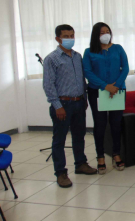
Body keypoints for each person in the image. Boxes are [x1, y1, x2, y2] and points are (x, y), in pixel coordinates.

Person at [43, 24, 97, 188]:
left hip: (79, 102)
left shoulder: (77, 56)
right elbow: (48, 85)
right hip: (63, 104)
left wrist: (85, 98)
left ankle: (80, 164)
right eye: (66, 36)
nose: (70, 39)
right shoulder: (51, 59)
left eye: (72, 36)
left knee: (79, 136)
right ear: (57, 39)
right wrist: (57, 106)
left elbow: (82, 80)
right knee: (59, 140)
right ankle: (61, 173)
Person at [83, 22, 129, 174]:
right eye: (101, 32)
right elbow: (88, 72)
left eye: (107, 31)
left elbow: (126, 68)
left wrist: (116, 86)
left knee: (116, 124)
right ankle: (100, 156)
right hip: (97, 92)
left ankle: (116, 154)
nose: (105, 34)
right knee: (100, 125)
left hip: (117, 90)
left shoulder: (118, 48)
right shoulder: (89, 52)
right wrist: (105, 86)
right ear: (96, 35)